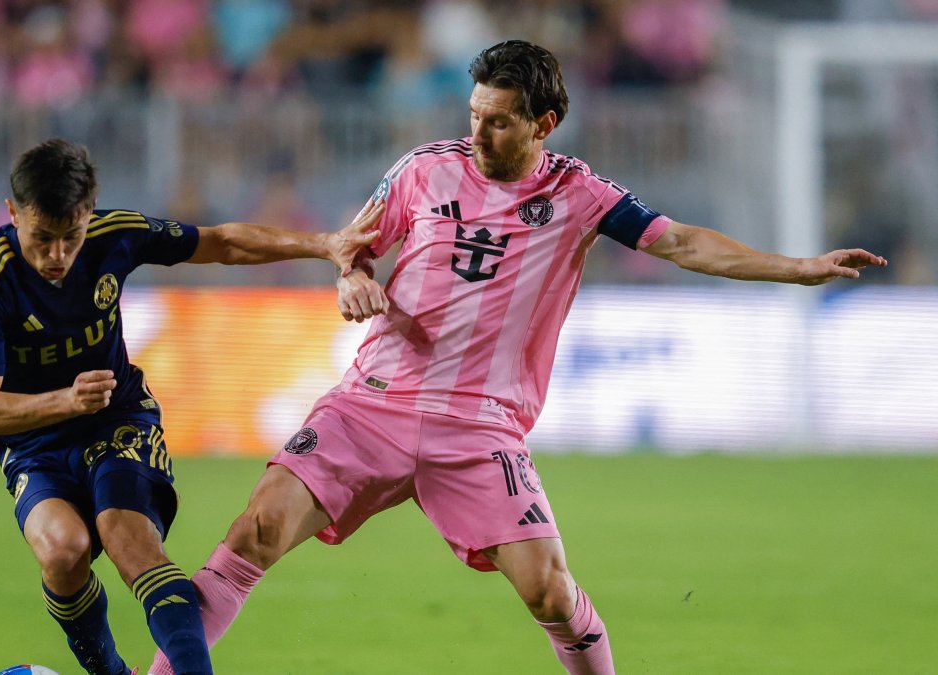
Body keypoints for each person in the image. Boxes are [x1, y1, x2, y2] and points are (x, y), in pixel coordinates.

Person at [146, 40, 887, 674]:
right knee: (253, 533)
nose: (479, 135)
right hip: (373, 401)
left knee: (550, 592)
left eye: (499, 123)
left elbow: (683, 241)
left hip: (480, 425)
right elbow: (353, 249)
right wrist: (353, 280)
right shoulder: (422, 170)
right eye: (473, 116)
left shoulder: (580, 194)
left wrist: (797, 267)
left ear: (544, 123)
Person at [0, 138, 383, 675]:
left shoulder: (115, 235)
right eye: (42, 238)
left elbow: (221, 242)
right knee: (62, 551)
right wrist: (66, 399)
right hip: (35, 440)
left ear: (89, 213)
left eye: (71, 237)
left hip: (117, 417)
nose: (57, 255)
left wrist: (325, 244)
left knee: (130, 541)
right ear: (13, 213)